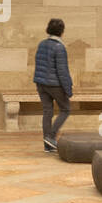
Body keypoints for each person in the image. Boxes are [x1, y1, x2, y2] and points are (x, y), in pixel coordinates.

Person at [33, 18, 73, 152]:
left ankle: (47, 146)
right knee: (66, 109)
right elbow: (62, 72)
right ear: (62, 31)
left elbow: (38, 64)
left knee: (47, 112)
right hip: (54, 85)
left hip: (41, 83)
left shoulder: (42, 44)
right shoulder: (59, 47)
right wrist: (68, 90)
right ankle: (50, 137)